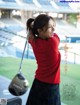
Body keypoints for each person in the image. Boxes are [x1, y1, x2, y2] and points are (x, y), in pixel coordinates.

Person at [26, 14, 61, 105]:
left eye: (54, 26)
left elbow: (31, 36)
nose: (53, 29)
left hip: (38, 83)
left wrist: (35, 28)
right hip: (51, 86)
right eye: (50, 27)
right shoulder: (53, 42)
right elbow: (57, 36)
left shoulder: (34, 41)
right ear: (40, 30)